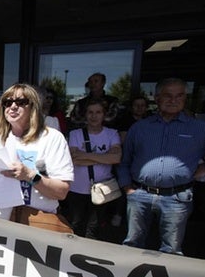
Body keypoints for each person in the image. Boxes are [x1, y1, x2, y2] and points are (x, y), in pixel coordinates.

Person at [0, 83, 74, 230]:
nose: (13, 106)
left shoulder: (52, 138)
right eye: (8, 103)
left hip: (35, 226)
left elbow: (61, 192)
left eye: (21, 102)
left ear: (33, 107)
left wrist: (29, 175)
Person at [117, 77, 205, 255]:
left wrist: (195, 174)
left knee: (171, 249)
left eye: (179, 96)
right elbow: (124, 160)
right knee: (132, 245)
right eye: (167, 96)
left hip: (177, 197)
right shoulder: (140, 127)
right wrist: (127, 188)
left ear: (185, 98)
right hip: (139, 195)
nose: (173, 100)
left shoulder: (199, 128)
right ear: (157, 98)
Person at [65, 98, 121, 239]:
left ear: (104, 114)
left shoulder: (112, 133)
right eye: (90, 112)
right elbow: (74, 159)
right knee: (75, 225)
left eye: (98, 112)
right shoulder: (76, 134)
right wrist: (103, 157)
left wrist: (85, 155)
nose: (94, 116)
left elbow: (116, 158)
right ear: (85, 115)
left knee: (94, 228)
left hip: (102, 189)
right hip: (77, 189)